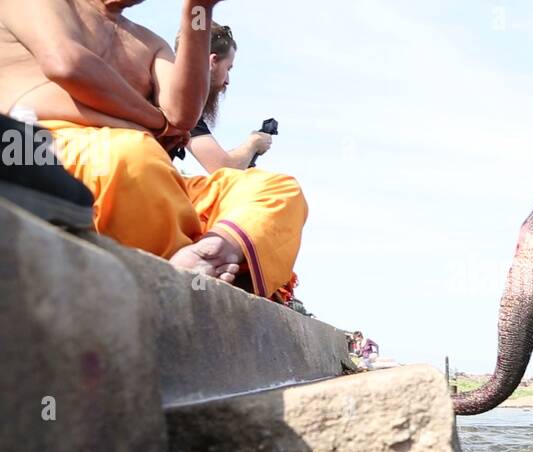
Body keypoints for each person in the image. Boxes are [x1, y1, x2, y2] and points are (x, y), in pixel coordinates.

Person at [0, 0, 307, 302]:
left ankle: (212, 251)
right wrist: (154, 123)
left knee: (275, 188)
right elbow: (67, 64)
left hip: (148, 176)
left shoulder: (150, 43)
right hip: (49, 155)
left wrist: (198, 10)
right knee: (130, 154)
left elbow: (183, 115)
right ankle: (183, 267)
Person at [175, 22, 273, 172]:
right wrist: (253, 143)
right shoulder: (183, 101)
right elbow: (223, 169)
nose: (227, 81)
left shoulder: (166, 86)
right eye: (228, 68)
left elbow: (220, 161)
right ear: (213, 61)